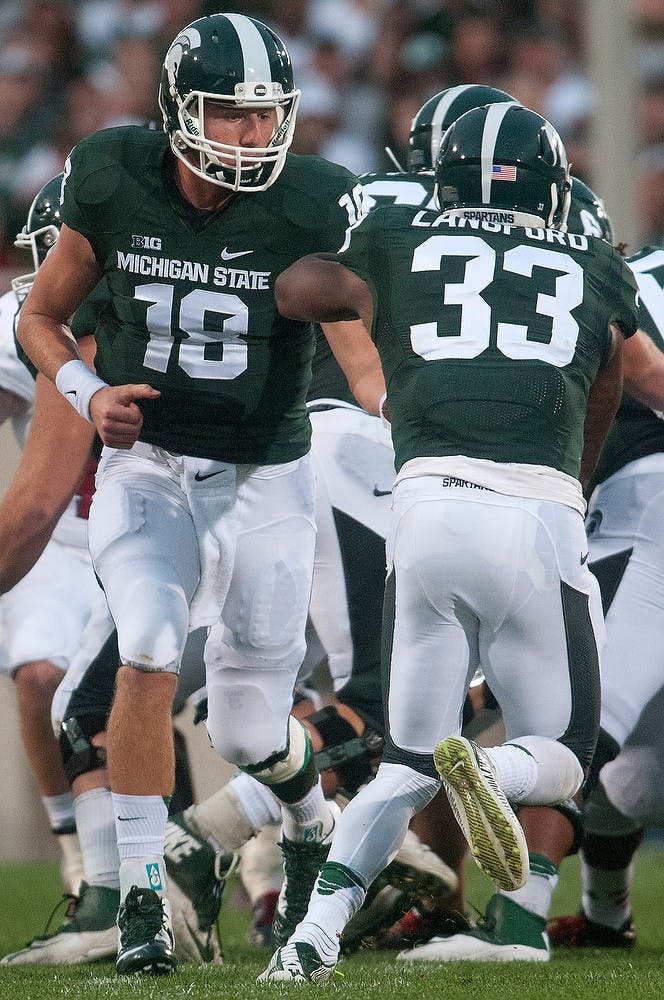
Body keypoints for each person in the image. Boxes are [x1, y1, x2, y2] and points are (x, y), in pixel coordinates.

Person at [16, 12, 368, 977]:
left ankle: (307, 821)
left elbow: (371, 334)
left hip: (266, 477)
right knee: (148, 647)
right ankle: (139, 901)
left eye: (265, 118)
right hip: (149, 466)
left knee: (251, 726)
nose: (251, 137)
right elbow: (41, 318)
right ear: (176, 107)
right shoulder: (114, 174)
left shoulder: (317, 201)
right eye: (229, 115)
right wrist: (91, 397)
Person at [258, 102, 639, 982]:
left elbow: (295, 291)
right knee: (566, 754)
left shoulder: (396, 226)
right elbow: (611, 379)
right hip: (536, 514)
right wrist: (575, 487)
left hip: (422, 511)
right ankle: (494, 771)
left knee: (403, 761)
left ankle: (309, 941)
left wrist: (360, 258)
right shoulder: (588, 255)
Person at [547, 240, 664, 951]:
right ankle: (603, 916)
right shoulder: (627, 272)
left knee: (588, 729)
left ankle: (519, 914)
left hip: (641, 508)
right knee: (632, 771)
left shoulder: (624, 277)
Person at [0, 175, 104, 899]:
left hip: (161, 527)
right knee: (40, 677)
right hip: (61, 539)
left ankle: (268, 858)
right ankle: (72, 841)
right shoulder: (20, 317)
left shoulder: (160, 309)